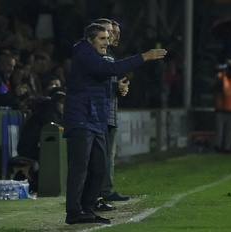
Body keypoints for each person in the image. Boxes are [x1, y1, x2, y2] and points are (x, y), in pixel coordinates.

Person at [63, 23, 167, 224]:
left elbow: (94, 82)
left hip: (95, 119)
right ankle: (74, 211)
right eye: (102, 38)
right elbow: (108, 69)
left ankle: (87, 208)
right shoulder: (83, 53)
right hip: (81, 118)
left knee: (99, 167)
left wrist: (115, 87)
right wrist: (144, 56)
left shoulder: (95, 56)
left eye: (107, 38)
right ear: (89, 40)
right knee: (80, 166)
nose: (107, 42)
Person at [92, 19, 130, 213]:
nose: (115, 36)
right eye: (111, 32)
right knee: (101, 157)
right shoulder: (98, 56)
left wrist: (120, 88)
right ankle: (100, 193)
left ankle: (105, 190)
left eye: (115, 33)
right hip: (102, 114)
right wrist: (117, 87)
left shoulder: (110, 55)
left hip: (110, 112)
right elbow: (98, 83)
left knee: (108, 156)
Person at [14, 87, 66, 192]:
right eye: (62, 103)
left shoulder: (53, 112)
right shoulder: (48, 112)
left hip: (36, 146)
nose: (64, 106)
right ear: (55, 102)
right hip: (30, 148)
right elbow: (52, 136)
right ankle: (45, 186)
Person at [213, 59, 231, 153]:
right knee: (220, 131)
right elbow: (215, 88)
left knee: (229, 132)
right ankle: (218, 147)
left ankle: (226, 148)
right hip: (221, 108)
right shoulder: (221, 77)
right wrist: (220, 77)